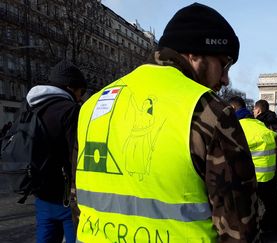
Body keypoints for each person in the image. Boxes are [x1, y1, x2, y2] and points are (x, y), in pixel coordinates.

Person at [75, 3, 260, 242]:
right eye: (224, 64)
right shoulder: (208, 112)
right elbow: (240, 227)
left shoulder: (91, 106)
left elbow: (77, 201)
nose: (225, 79)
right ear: (194, 54)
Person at [26, 60, 87, 243]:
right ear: (70, 87)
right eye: (80, 92)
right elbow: (76, 155)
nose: (81, 97)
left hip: (41, 193)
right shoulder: (70, 111)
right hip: (67, 198)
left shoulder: (30, 107)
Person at [228, 96, 277, 238]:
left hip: (249, 178)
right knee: (267, 206)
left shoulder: (237, 128)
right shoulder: (259, 124)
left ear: (232, 109)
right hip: (268, 175)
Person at [253, 99, 277, 234]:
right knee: (273, 197)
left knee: (263, 198)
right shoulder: (276, 122)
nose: (253, 112)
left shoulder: (260, 123)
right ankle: (276, 223)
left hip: (262, 165)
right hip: (274, 164)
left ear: (259, 110)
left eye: (254, 110)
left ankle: (266, 225)